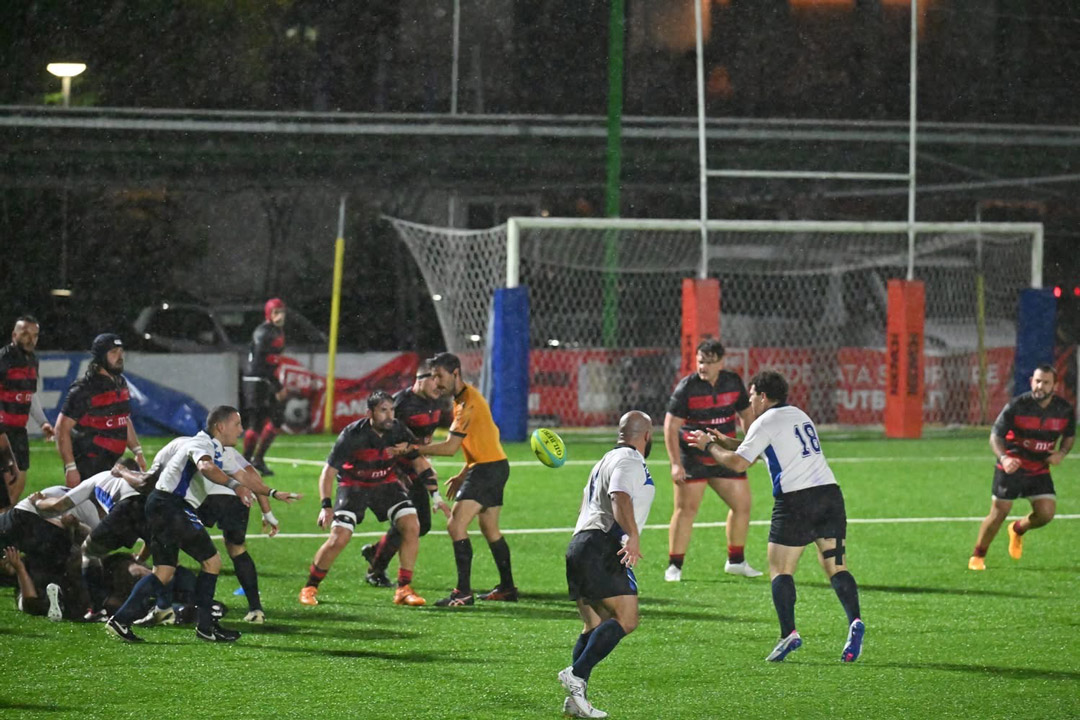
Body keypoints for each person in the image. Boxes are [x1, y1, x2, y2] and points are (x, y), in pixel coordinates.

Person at [689, 370, 864, 663]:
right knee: (836, 565)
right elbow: (760, 451)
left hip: (796, 500)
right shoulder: (799, 414)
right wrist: (727, 440)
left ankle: (788, 634)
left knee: (780, 569)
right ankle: (855, 621)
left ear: (764, 396)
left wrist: (710, 446)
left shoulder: (764, 421)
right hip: (829, 495)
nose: (750, 400)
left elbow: (738, 464)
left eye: (753, 395)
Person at [104, 405, 299, 643]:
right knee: (212, 561)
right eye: (237, 424)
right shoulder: (200, 445)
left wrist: (273, 492)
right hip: (171, 506)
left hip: (161, 505)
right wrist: (234, 487)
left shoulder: (217, 448)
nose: (241, 430)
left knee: (163, 572)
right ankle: (206, 627)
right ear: (221, 426)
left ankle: (120, 620)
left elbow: (245, 475)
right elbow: (206, 467)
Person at [559, 411, 656, 720]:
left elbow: (583, 504)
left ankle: (576, 701)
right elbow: (620, 496)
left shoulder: (605, 459)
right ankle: (577, 673)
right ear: (647, 435)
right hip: (601, 546)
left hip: (580, 545)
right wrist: (632, 535)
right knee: (627, 619)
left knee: (595, 625)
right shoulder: (629, 460)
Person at [299, 391, 431, 608]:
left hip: (384, 485)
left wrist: (434, 493)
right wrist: (326, 506)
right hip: (354, 487)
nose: (389, 416)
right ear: (370, 413)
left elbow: (417, 458)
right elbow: (329, 472)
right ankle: (310, 587)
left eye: (392, 410)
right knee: (339, 538)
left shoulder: (397, 429)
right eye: (383, 411)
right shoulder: (352, 434)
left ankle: (404, 589)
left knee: (411, 524)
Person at [410, 352, 516, 608]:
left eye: (440, 376)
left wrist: (413, 449)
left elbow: (449, 448)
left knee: (455, 525)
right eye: (433, 376)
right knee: (490, 529)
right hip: (494, 466)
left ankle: (463, 593)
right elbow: (485, 441)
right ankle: (507, 588)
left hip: (487, 469)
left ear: (455, 373)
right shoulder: (464, 400)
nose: (436, 382)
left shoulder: (468, 403)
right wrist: (463, 473)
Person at [663, 339, 760, 581]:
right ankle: (674, 566)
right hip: (694, 458)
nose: (703, 366)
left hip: (724, 457)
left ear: (721, 362)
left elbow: (746, 415)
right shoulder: (687, 387)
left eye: (708, 362)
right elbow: (670, 426)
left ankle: (736, 561)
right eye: (699, 361)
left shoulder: (732, 382)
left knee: (742, 506)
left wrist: (750, 447)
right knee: (686, 510)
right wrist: (675, 463)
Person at [968, 365, 1075, 571]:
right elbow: (995, 436)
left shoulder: (1064, 410)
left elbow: (1070, 436)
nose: (1040, 386)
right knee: (999, 512)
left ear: (1055, 385)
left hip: (1039, 468)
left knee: (1045, 514)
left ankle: (1017, 529)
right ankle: (978, 555)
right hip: (1012, 466)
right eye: (1037, 381)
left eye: (1045, 382)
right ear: (1031, 382)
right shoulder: (1017, 405)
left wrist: (1061, 453)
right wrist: (1005, 458)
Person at [362, 361, 451, 587]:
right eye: (435, 379)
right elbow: (378, 436)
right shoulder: (400, 404)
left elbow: (419, 440)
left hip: (416, 468)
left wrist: (424, 460)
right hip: (397, 472)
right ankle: (376, 569)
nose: (439, 384)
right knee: (409, 522)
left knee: (422, 524)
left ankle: (377, 551)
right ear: (420, 378)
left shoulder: (437, 401)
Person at [56, 334, 146, 489]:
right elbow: (61, 428)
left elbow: (123, 419)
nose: (119, 357)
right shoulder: (84, 389)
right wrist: (71, 468)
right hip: (88, 464)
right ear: (100, 357)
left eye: (120, 352)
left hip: (113, 463)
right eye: (113, 352)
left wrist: (138, 452)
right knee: (87, 512)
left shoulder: (120, 383)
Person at [0, 315, 55, 508]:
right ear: (14, 334)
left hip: (18, 430)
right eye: (25, 334)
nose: (30, 339)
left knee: (19, 480)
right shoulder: (4, 358)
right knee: (9, 481)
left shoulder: (32, 360)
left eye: (34, 335)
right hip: (2, 430)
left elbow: (29, 395)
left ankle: (4, 526)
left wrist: (43, 422)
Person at [242, 298, 288, 476]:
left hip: (266, 379)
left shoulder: (276, 331)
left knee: (277, 419)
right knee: (256, 423)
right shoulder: (263, 332)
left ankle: (258, 460)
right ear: (268, 314)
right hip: (256, 380)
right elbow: (261, 361)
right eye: (276, 312)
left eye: (282, 312)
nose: (280, 315)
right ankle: (245, 464)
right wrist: (277, 385)